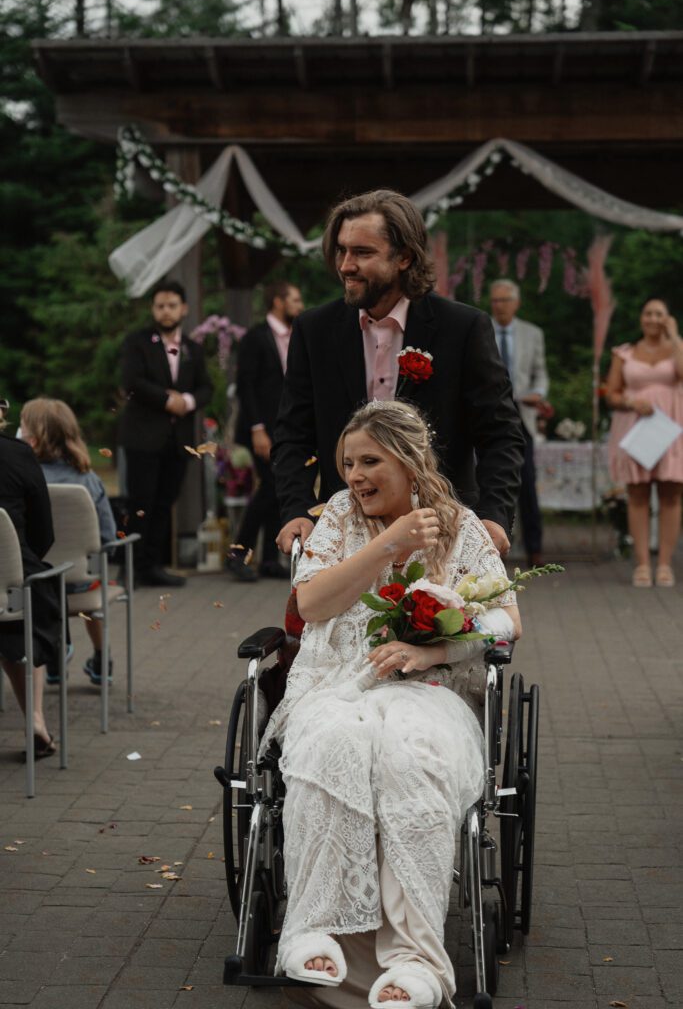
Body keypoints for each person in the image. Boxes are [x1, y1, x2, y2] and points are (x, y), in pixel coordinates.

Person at [261, 400, 521, 1009]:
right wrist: (387, 547)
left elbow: (507, 621)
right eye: (347, 462)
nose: (354, 474)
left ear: (410, 461)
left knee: (409, 754)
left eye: (370, 461)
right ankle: (315, 927)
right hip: (335, 686)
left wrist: (434, 651)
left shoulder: (461, 526)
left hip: (430, 691)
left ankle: (415, 958)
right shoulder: (339, 521)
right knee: (336, 744)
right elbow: (313, 605)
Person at [273, 189, 525, 561]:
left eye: (362, 252)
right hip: (345, 532)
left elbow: (501, 433)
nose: (345, 265)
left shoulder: (463, 327)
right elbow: (292, 435)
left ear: (404, 257)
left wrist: (494, 516)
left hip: (443, 531)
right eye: (342, 251)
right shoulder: (315, 329)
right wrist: (297, 509)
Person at [119, 280, 212, 587]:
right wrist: (166, 399)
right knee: (140, 504)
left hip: (178, 441)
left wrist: (186, 401)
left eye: (172, 305)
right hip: (144, 438)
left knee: (164, 503)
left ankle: (153, 566)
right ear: (153, 309)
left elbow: (206, 388)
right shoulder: (138, 342)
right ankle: (130, 567)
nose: (166, 311)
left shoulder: (192, 348)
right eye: (160, 306)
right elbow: (132, 381)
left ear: (183, 309)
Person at [20, 398, 118, 686]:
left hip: (32, 585)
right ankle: (102, 658)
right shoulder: (88, 479)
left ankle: (53, 653)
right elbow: (107, 538)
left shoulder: (23, 477)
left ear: (33, 437)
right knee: (90, 577)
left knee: (49, 583)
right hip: (81, 585)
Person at [228, 281, 304, 582]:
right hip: (262, 429)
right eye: (295, 300)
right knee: (271, 486)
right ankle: (238, 552)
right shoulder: (255, 337)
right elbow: (245, 387)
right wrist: (257, 428)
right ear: (278, 302)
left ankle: (270, 560)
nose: (299, 305)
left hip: (287, 429)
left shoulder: (297, 336)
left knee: (277, 489)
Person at [606, 297, 683, 587]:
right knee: (637, 494)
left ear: (667, 318)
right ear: (641, 318)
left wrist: (675, 336)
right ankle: (641, 564)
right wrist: (630, 401)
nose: (653, 318)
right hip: (635, 429)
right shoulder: (625, 353)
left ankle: (664, 564)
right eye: (648, 313)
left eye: (659, 314)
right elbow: (611, 393)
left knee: (671, 495)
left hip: (672, 430)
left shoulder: (677, 348)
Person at [0, 399, 59, 758]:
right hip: (10, 586)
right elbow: (43, 533)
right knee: (21, 616)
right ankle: (35, 717)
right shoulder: (17, 455)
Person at [489, 279, 549, 567]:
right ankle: (490, 546)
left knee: (526, 483)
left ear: (516, 302)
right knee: (487, 481)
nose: (499, 305)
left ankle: (535, 547)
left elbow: (541, 373)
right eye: (495, 300)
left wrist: (538, 394)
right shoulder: (480, 328)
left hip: (522, 414)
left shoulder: (532, 333)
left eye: (504, 300)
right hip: (488, 415)